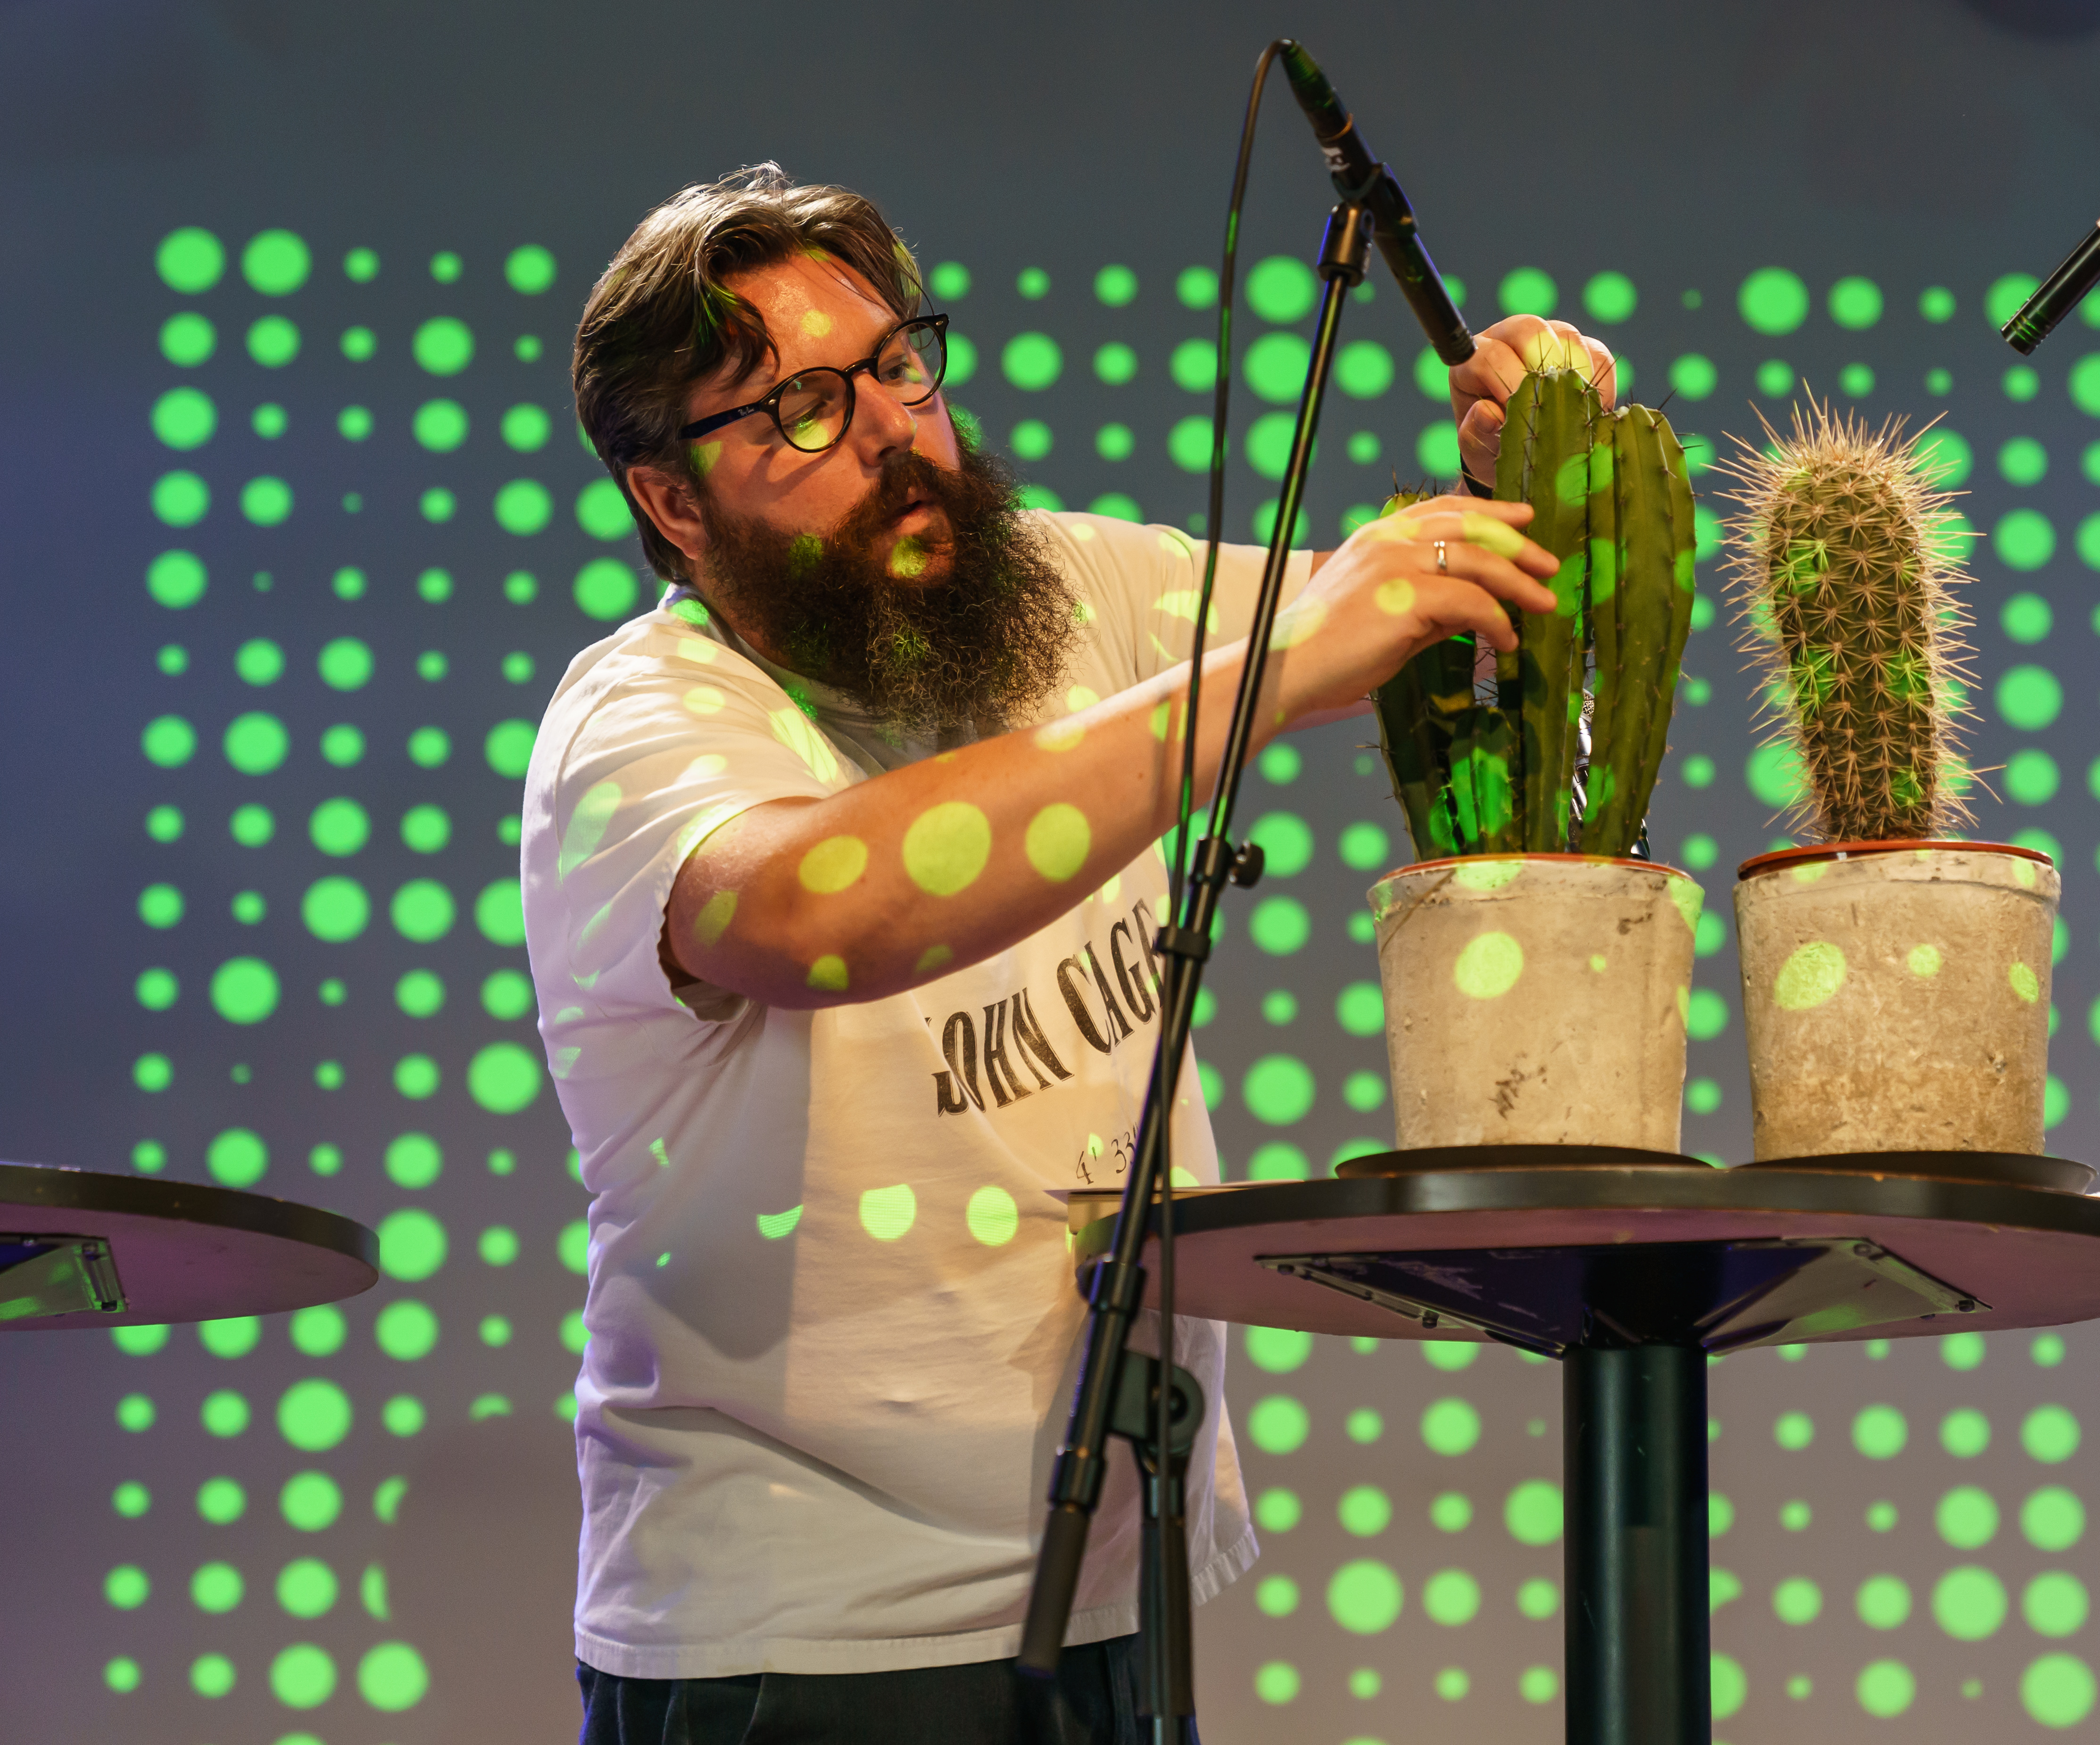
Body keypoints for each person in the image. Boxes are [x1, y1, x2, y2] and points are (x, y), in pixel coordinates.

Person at [531, 163, 1617, 1745]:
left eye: (901, 363)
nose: (896, 428)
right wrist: (1258, 677)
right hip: (802, 1653)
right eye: (807, 408)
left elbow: (1412, 615)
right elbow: (811, 914)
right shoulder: (643, 722)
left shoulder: (1063, 593)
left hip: (1112, 1594)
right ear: (672, 500)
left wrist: (1550, 439)